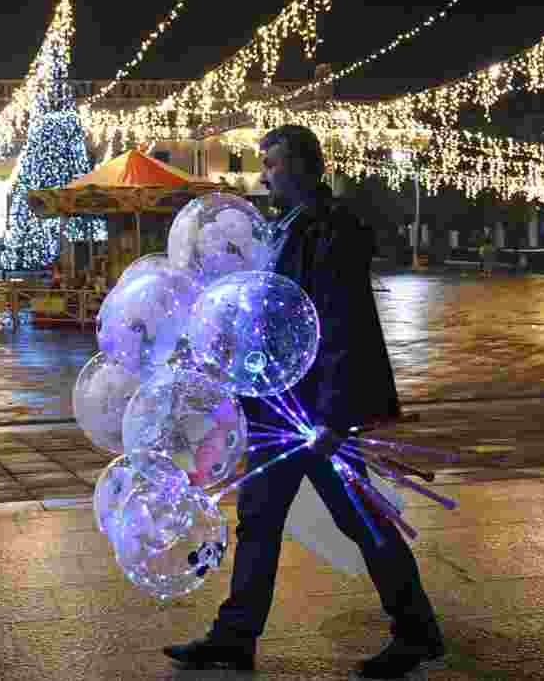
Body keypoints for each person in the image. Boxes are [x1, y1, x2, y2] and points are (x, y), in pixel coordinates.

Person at [163, 125, 443, 679]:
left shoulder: (328, 230)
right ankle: (234, 636)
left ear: (304, 167)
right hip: (277, 405)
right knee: (258, 519)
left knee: (361, 520)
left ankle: (416, 631)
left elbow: (340, 325)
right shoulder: (284, 229)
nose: (263, 174)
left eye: (272, 163)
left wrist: (336, 416)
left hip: (315, 412)